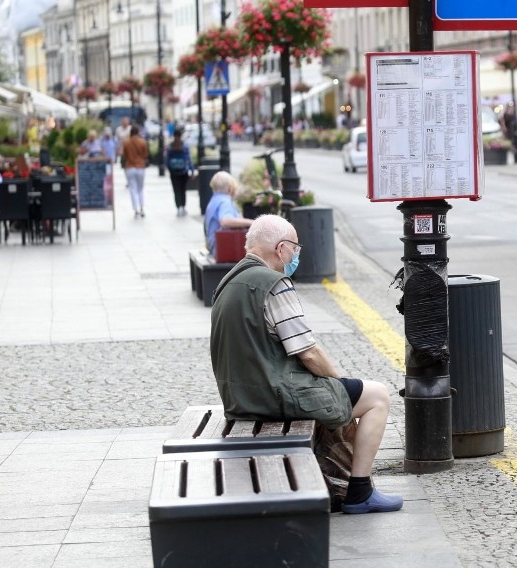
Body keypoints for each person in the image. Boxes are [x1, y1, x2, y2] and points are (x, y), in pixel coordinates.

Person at [210, 214, 404, 515]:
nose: (295, 255)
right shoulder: (273, 284)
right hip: (271, 397)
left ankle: (335, 482)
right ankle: (360, 491)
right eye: (295, 249)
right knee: (377, 396)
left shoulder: (229, 281)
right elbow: (309, 353)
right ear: (281, 247)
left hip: (240, 398)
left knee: (347, 393)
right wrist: (337, 383)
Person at [204, 171, 253, 256]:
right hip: (222, 248)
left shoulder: (214, 200)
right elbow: (225, 221)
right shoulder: (225, 201)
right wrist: (251, 222)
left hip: (214, 246)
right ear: (230, 188)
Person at [166, 128, 195, 217]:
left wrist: (170, 168)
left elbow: (166, 160)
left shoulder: (170, 146)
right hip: (183, 171)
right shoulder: (184, 146)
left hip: (174, 172)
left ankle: (178, 207)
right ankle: (183, 206)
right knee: (183, 190)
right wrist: (192, 170)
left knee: (176, 190)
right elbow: (189, 159)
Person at [122, 125, 149, 219]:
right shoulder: (143, 142)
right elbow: (145, 155)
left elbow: (124, 155)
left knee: (133, 189)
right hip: (140, 166)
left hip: (130, 167)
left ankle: (136, 210)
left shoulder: (126, 142)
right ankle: (142, 208)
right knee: (140, 189)